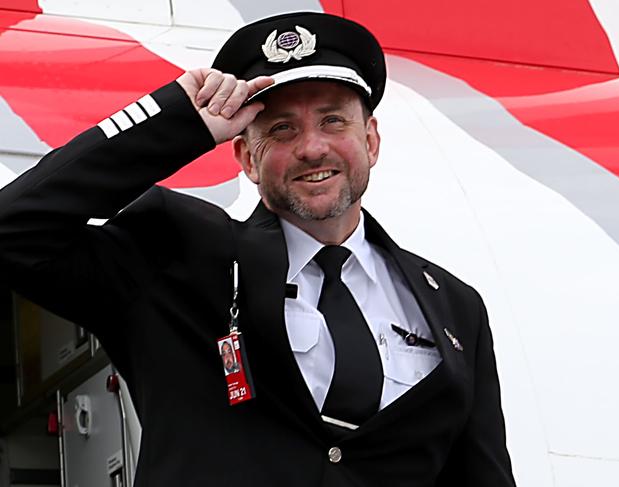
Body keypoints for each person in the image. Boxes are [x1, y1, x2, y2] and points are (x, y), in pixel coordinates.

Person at [0, 11, 516, 487]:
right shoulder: (176, 254)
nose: (313, 147)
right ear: (246, 157)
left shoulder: (453, 306)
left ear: (372, 141)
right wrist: (176, 120)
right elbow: (14, 231)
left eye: (334, 120)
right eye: (282, 129)